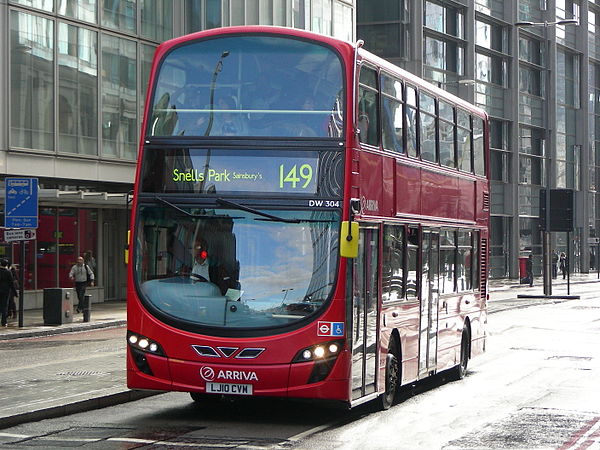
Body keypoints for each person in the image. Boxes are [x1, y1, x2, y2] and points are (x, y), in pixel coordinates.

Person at [0, 259, 15, 327]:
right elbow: (11, 283)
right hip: (6, 291)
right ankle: (4, 322)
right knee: (4, 306)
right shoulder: (8, 272)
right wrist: (14, 292)